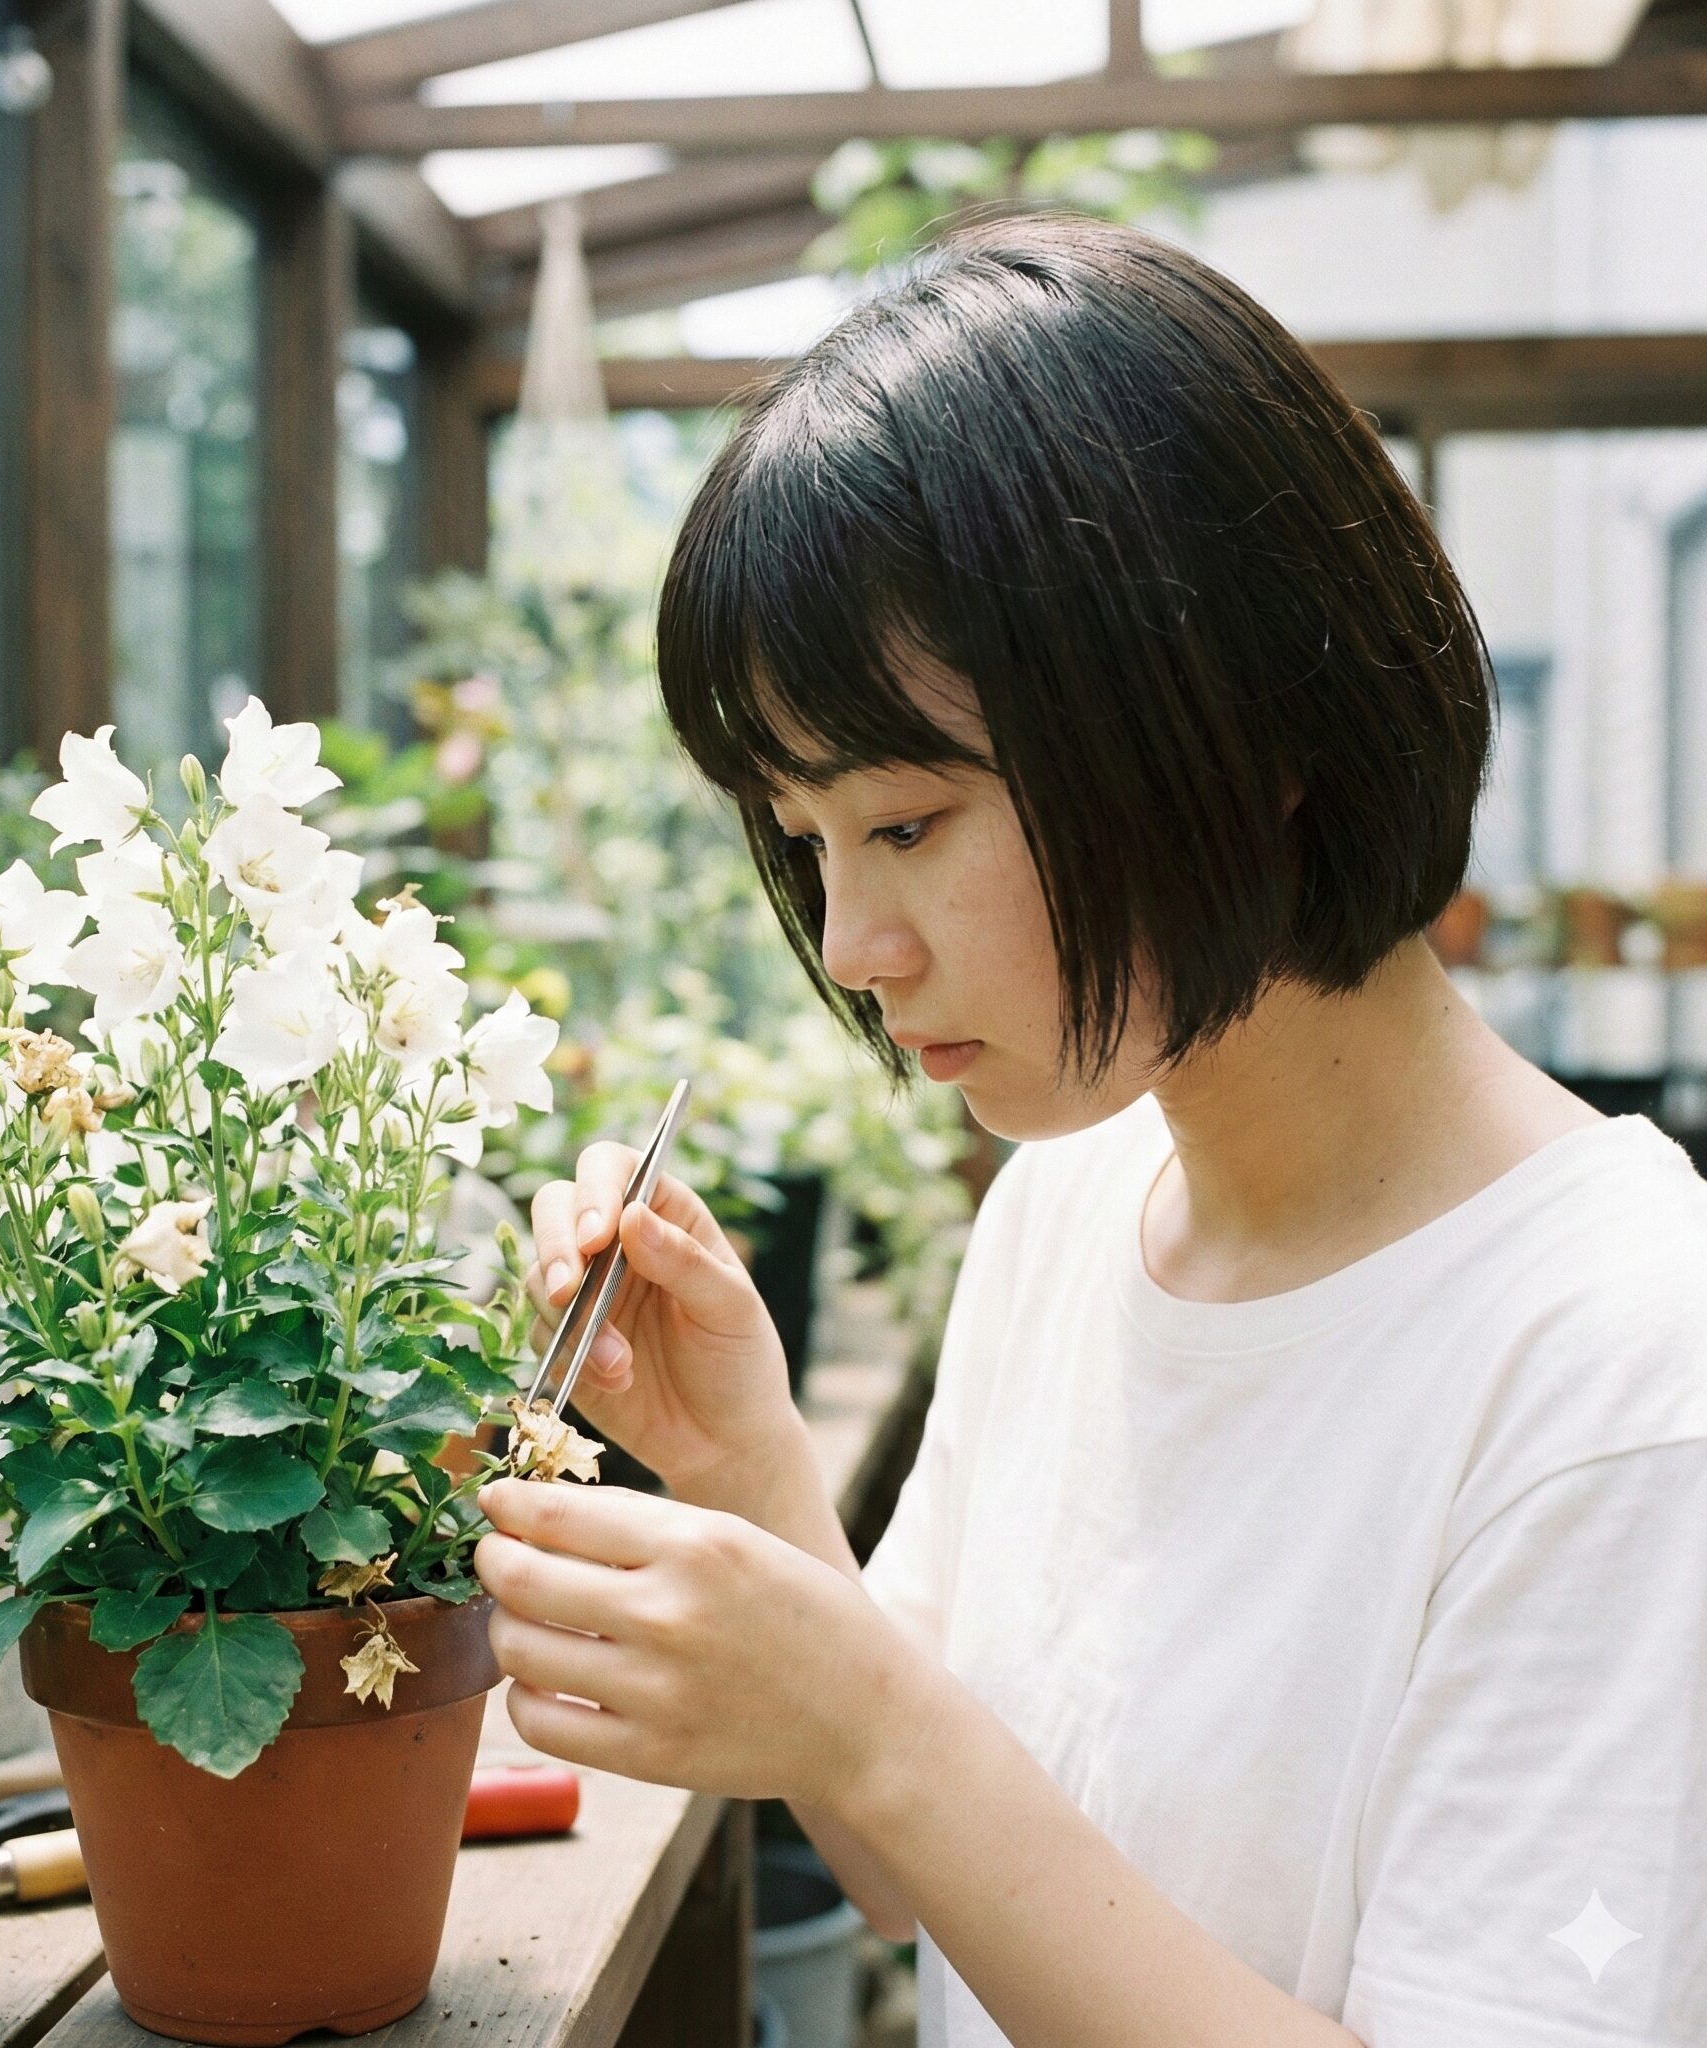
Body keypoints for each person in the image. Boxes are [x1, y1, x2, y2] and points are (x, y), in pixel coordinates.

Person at [473, 215, 1707, 2047]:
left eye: (906, 824)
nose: (853, 946)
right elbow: (941, 1879)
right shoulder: (1073, 1199)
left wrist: (861, 1724)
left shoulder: (1621, 1366)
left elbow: (916, 1778)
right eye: (805, 842)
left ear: (1238, 729)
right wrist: (754, 1476)